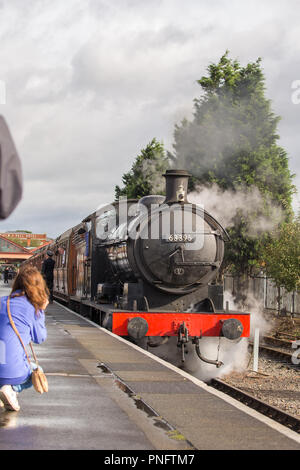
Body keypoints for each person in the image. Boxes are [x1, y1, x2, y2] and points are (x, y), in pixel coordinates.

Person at [0, 265, 48, 411]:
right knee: (37, 369)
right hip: (11, 370)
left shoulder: (2, 301)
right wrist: (41, 312)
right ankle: (12, 389)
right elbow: (40, 338)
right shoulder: (34, 308)